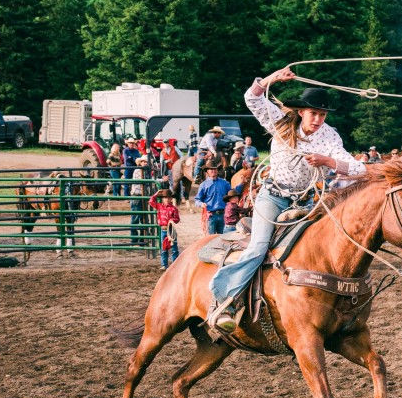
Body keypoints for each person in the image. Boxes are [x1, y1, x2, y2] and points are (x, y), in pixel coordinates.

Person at [206, 68, 365, 333]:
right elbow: (252, 99)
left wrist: (328, 161)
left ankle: (324, 304)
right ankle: (227, 300)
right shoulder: (281, 122)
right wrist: (271, 79)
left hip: (306, 202)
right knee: (258, 247)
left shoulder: (330, 136)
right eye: (313, 113)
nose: (318, 119)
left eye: (322, 114)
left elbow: (357, 168)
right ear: (301, 112)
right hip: (274, 196)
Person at [149, 189, 180, 270]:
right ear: (163, 198)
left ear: (171, 199)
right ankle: (164, 265)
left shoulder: (173, 209)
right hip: (163, 230)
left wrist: (172, 220)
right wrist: (156, 194)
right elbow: (151, 201)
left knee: (174, 248)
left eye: (168, 197)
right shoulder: (159, 206)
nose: (167, 199)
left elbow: (177, 219)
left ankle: (175, 265)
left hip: (171, 230)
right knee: (163, 248)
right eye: (165, 197)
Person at [195, 166, 232, 235]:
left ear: (218, 171)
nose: (213, 170)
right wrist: (201, 204)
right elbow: (197, 200)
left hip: (223, 215)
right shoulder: (203, 185)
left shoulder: (225, 183)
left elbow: (232, 193)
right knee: (210, 240)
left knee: (223, 239)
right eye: (211, 169)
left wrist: (241, 184)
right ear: (207, 172)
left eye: (215, 169)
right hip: (210, 216)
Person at [129, 156, 149, 244]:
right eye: (143, 162)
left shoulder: (145, 171)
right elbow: (143, 182)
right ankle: (134, 240)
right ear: (140, 163)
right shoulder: (138, 171)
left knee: (142, 218)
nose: (145, 163)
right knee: (136, 219)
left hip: (141, 197)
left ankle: (141, 239)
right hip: (137, 196)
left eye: (146, 162)